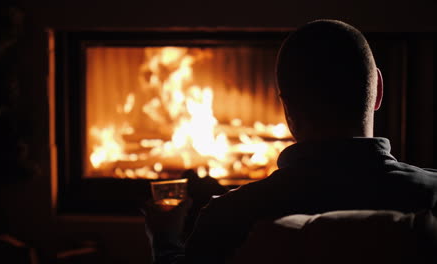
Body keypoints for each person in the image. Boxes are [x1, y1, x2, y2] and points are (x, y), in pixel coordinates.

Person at [142, 20, 437, 264]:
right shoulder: (431, 196)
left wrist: (165, 239)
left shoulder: (229, 216)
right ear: (379, 91)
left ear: (286, 108)